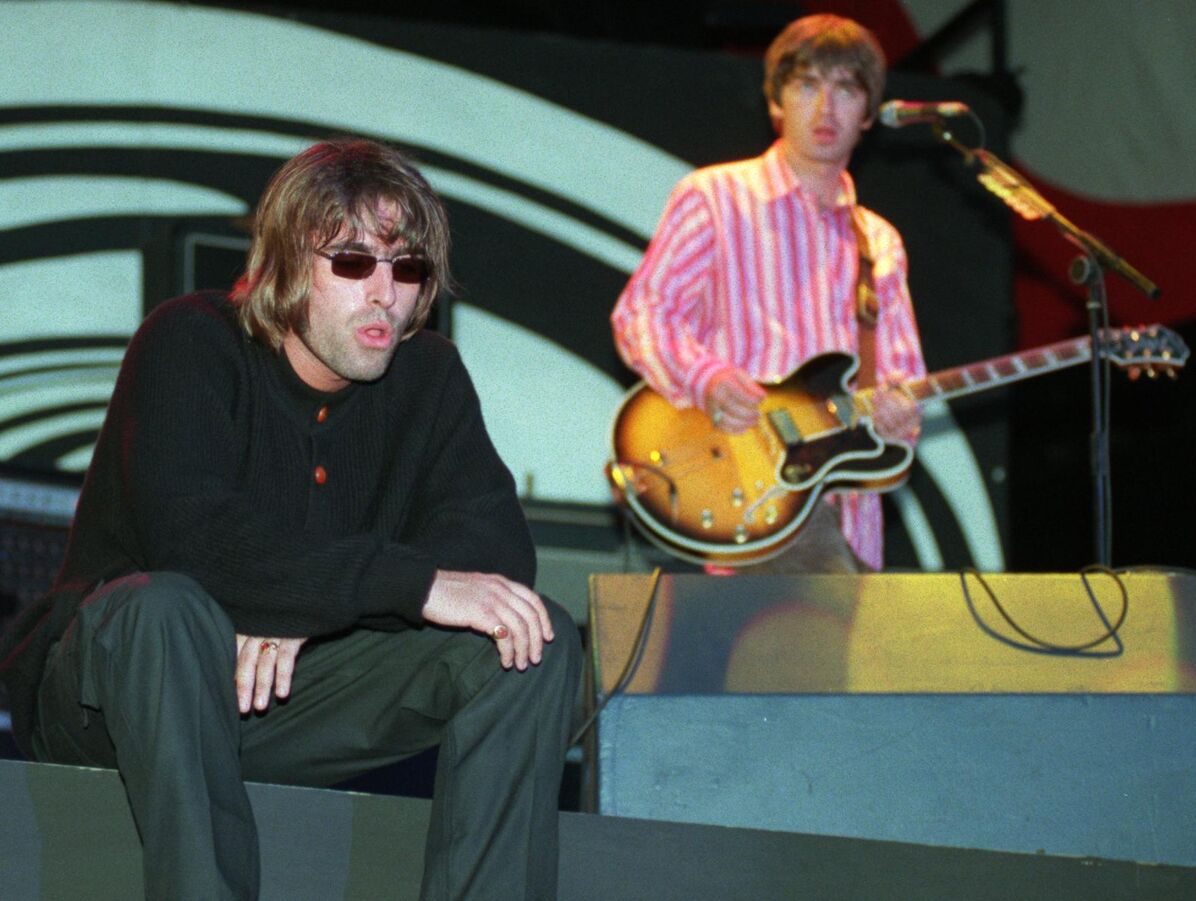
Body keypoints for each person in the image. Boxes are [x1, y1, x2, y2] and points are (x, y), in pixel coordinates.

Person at [0, 138, 581, 899]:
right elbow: (196, 539)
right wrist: (349, 585)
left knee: (531, 634)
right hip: (113, 699)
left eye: (406, 269)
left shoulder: (429, 375)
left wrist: (304, 604)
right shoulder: (191, 339)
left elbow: (492, 553)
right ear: (282, 264)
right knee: (166, 606)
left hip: (281, 699)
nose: (385, 293)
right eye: (351, 262)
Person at [611, 13, 926, 572]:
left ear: (868, 114)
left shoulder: (878, 242)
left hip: (850, 517)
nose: (826, 108)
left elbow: (900, 383)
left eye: (846, 89)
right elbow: (643, 313)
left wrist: (900, 415)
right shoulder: (715, 196)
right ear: (777, 103)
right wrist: (706, 377)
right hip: (748, 490)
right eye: (807, 86)